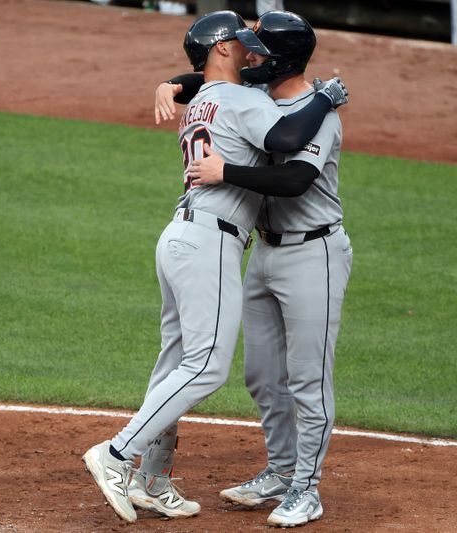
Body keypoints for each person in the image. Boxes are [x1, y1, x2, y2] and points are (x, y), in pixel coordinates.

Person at [82, 10, 349, 524]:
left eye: (260, 47)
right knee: (209, 367)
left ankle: (158, 479)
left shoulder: (220, 96)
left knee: (183, 364)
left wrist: (175, 82)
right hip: (219, 241)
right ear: (226, 51)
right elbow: (284, 140)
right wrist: (324, 93)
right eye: (244, 44)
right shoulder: (254, 100)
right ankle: (117, 457)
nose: (253, 53)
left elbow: (295, 174)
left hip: (224, 239)